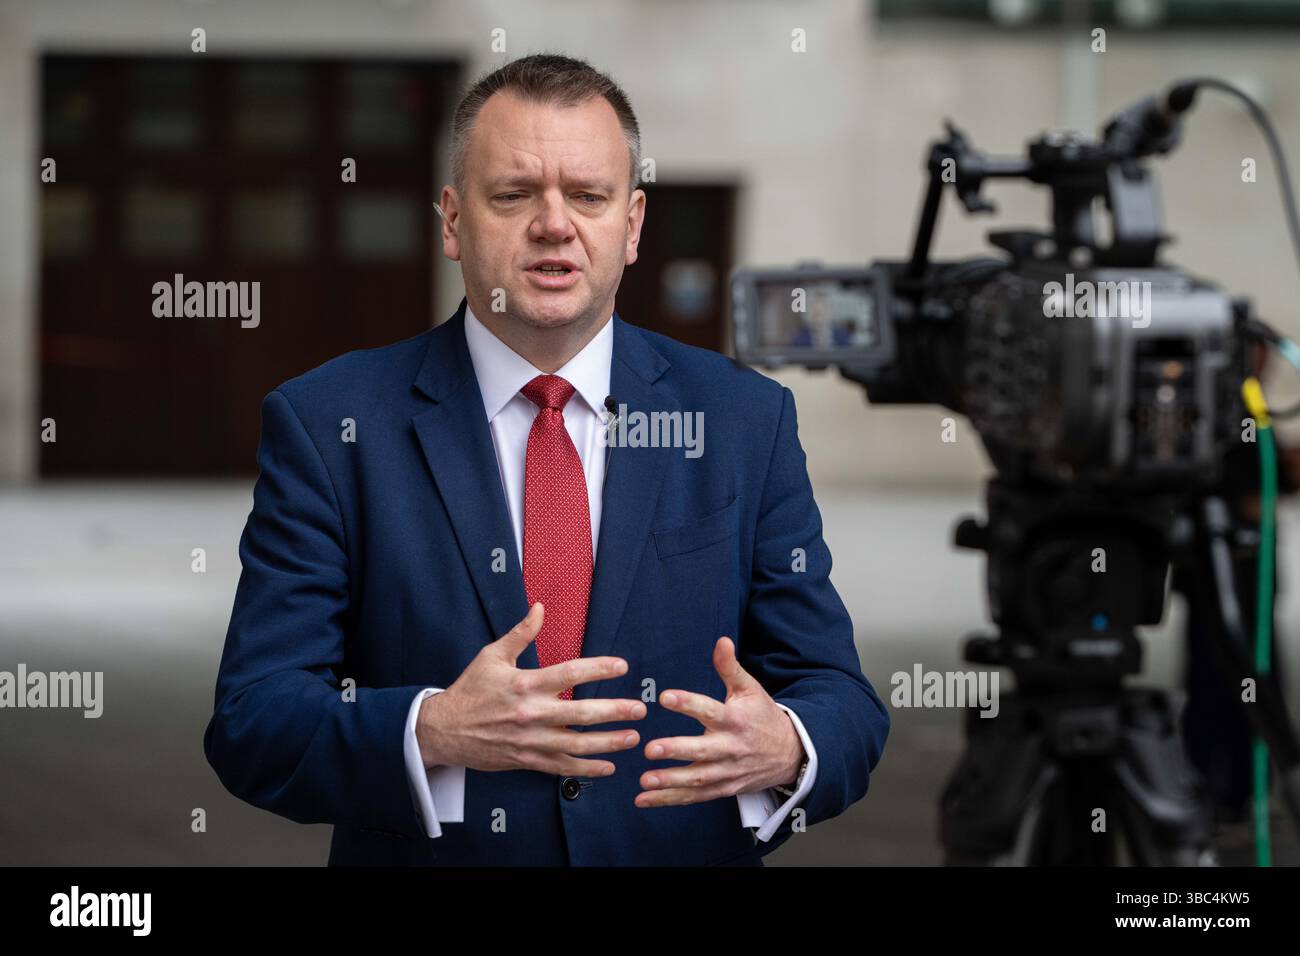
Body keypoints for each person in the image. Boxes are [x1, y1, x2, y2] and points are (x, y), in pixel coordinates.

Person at [203, 53, 889, 866]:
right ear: (453, 221)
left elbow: (841, 697)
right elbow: (254, 719)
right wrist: (433, 728)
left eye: (588, 196)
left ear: (631, 226)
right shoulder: (330, 423)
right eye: (514, 194)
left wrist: (787, 747)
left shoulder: (744, 418)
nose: (555, 224)